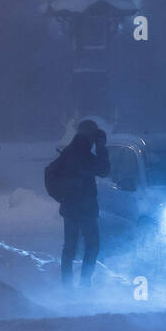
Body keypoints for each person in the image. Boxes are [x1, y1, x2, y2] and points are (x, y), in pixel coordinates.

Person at [54, 119, 110, 288]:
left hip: (70, 207)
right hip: (85, 208)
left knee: (70, 246)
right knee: (92, 245)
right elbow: (103, 170)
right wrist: (101, 147)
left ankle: (67, 285)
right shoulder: (83, 153)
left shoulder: (70, 151)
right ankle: (84, 283)